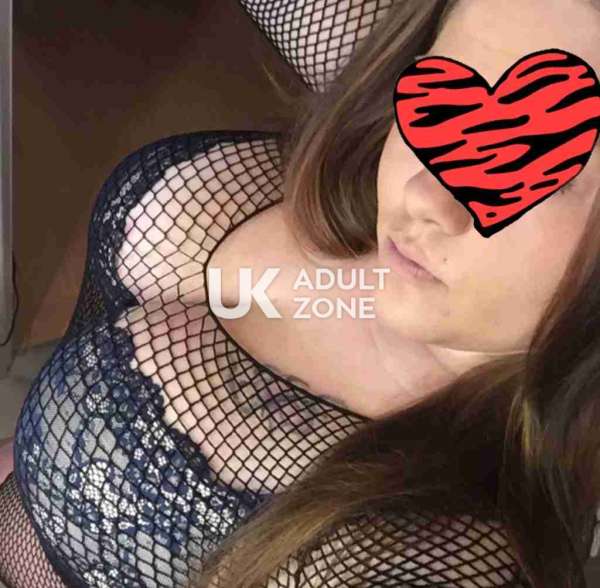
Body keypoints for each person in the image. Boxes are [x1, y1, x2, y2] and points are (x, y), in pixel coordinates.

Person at [4, 0, 600, 587]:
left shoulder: (449, 550)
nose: (426, 194)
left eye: (534, 157)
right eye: (442, 95)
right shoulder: (455, 49)